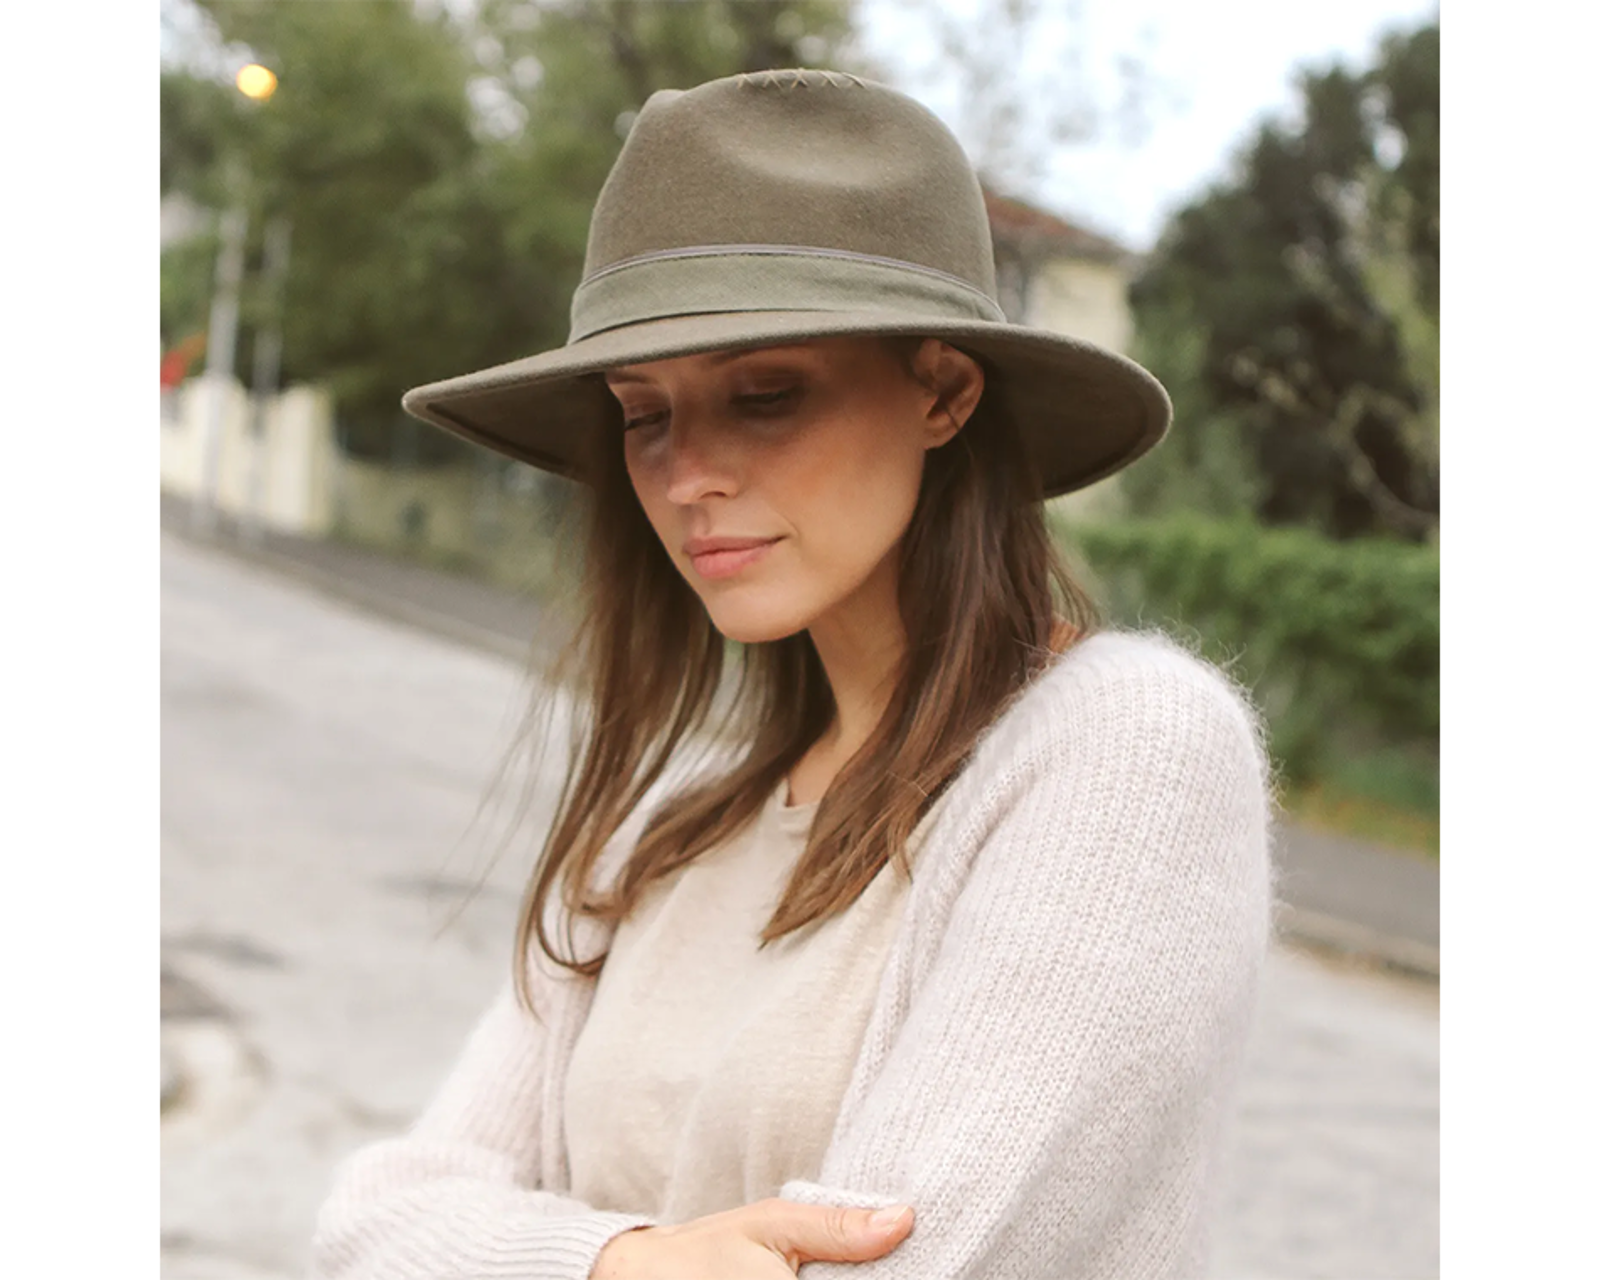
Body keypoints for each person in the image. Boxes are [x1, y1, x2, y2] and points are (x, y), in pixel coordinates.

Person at [309, 68, 1273, 1280]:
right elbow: (372, 1223)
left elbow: (898, 1259)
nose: (686, 474)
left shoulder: (1126, 751)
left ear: (942, 390)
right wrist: (621, 1260)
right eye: (642, 414)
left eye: (764, 394)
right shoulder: (662, 828)